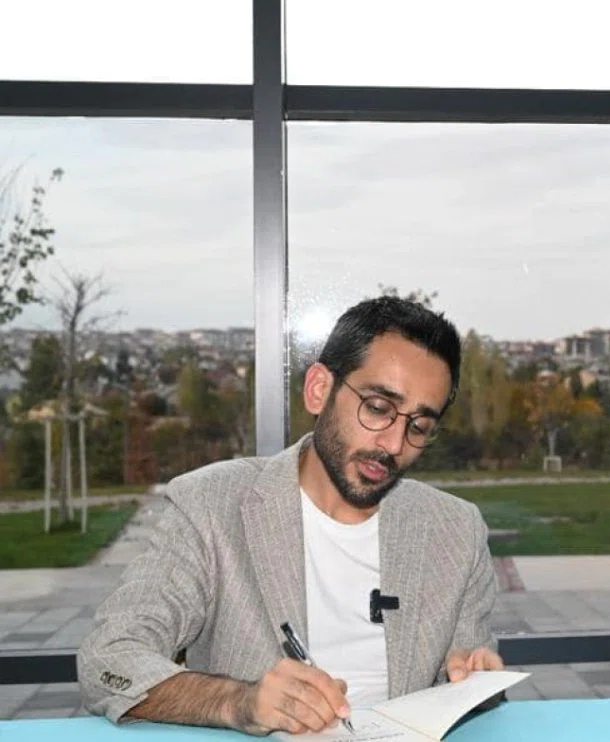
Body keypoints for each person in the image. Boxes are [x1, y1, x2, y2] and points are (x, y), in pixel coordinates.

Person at [78, 296, 504, 735]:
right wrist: (239, 702)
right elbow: (108, 659)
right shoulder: (210, 505)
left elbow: (469, 681)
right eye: (378, 408)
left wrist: (476, 681)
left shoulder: (456, 530)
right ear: (319, 389)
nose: (394, 444)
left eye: (418, 427)